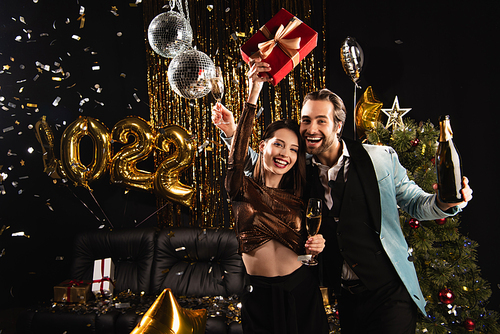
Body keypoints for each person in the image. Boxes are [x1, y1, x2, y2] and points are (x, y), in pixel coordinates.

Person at [213, 59, 473, 334]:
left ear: (338, 125)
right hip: (346, 299)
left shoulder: (379, 159)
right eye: (306, 120)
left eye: (321, 121)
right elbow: (261, 165)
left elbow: (416, 203)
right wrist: (232, 133)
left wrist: (446, 203)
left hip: (388, 294)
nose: (311, 128)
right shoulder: (300, 170)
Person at [216, 58, 330, 334]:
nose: (285, 154)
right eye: (278, 144)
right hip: (260, 296)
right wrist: (253, 92)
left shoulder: (299, 195)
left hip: (301, 289)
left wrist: (317, 243)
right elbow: (237, 156)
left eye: (293, 149)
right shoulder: (239, 186)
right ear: (262, 145)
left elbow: (309, 242)